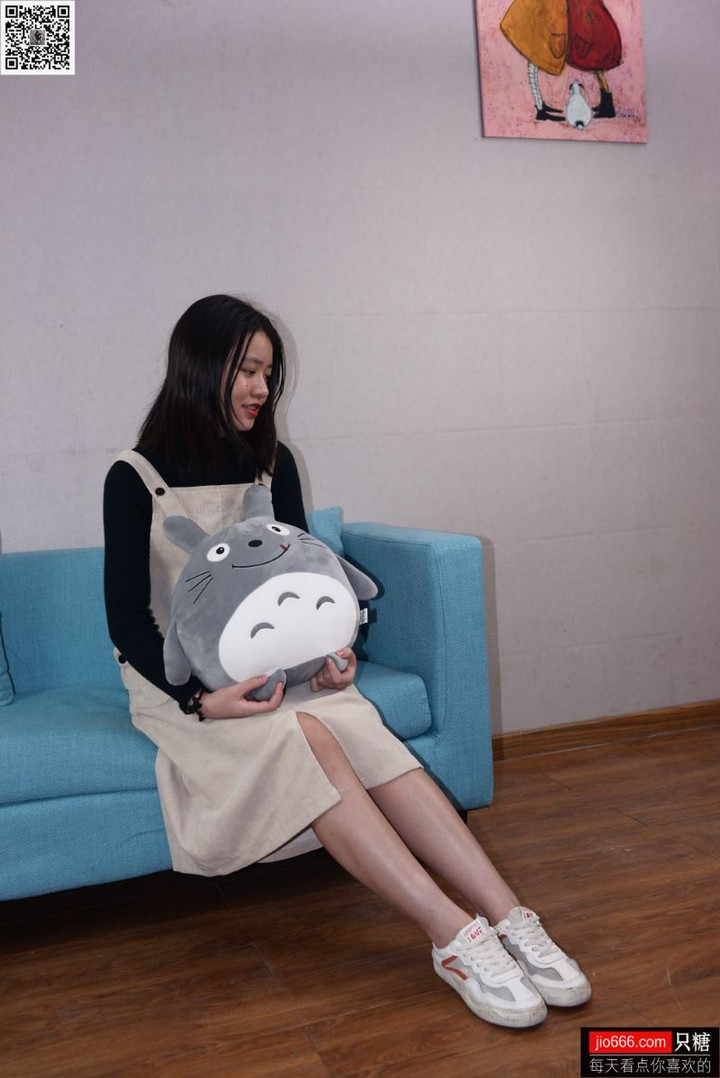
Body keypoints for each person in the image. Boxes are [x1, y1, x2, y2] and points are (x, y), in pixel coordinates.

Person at [103, 294, 592, 1029]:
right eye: (247, 371)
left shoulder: (272, 463)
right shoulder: (134, 476)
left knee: (355, 723)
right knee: (307, 735)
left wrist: (333, 656)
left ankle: (509, 916)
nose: (262, 389)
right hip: (186, 684)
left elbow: (309, 581)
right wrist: (200, 701)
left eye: (269, 373)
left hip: (282, 670)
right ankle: (454, 939)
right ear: (200, 368)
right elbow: (126, 618)